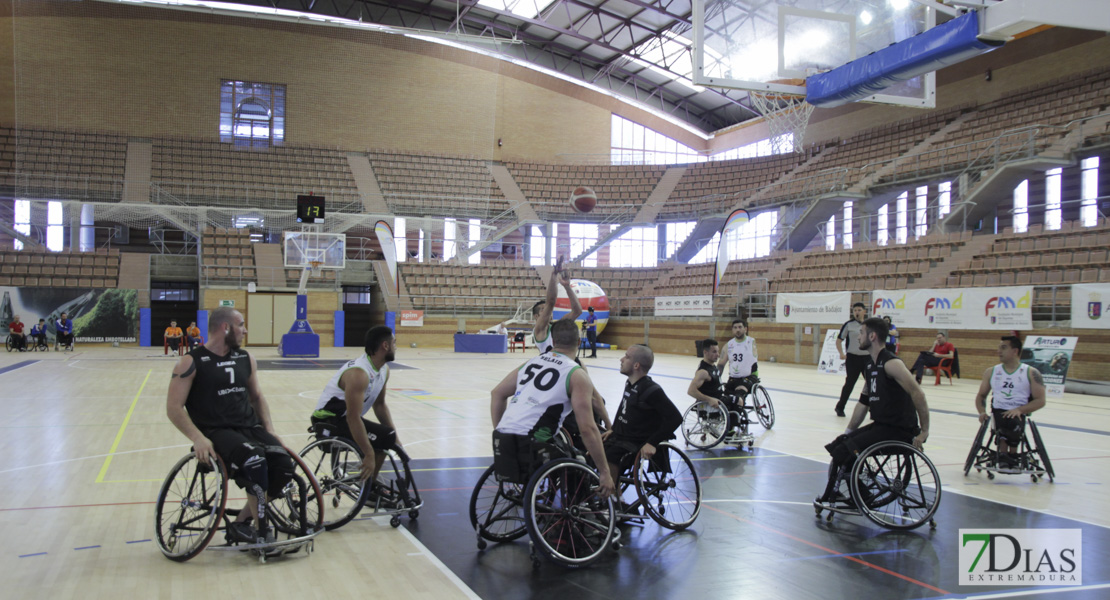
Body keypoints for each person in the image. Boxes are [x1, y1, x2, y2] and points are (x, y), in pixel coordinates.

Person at [166, 307, 293, 544]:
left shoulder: (246, 359)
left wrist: (270, 429)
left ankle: (241, 522)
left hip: (249, 427)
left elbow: (257, 397)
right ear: (226, 327)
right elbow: (173, 408)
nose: (245, 330)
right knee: (255, 460)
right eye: (241, 324)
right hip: (216, 432)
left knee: (285, 464)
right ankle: (262, 533)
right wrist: (197, 438)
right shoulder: (190, 362)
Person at [490, 319, 615, 498]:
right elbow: (587, 429)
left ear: (553, 342)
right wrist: (604, 472)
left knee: (558, 445)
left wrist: (500, 429)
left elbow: (497, 394)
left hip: (502, 438)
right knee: (579, 460)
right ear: (579, 342)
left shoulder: (531, 363)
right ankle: (575, 513)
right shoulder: (576, 374)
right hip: (533, 441)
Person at [817, 317, 930, 505]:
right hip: (881, 426)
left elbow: (918, 393)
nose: (858, 337)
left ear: (872, 336)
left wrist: (924, 430)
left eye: (861, 333)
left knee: (846, 450)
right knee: (840, 446)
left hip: (898, 429)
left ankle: (856, 496)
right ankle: (860, 495)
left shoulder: (892, 364)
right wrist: (848, 432)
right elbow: (863, 403)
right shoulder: (870, 366)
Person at [310, 326, 402, 489]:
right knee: (382, 437)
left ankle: (368, 484)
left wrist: (396, 439)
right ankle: (368, 486)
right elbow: (353, 417)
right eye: (394, 342)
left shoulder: (384, 370)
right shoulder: (359, 374)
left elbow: (380, 405)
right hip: (329, 419)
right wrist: (368, 453)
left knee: (388, 435)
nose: (396, 346)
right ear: (385, 346)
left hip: (346, 418)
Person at [603, 344, 683, 493]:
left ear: (636, 365)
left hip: (637, 441)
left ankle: (613, 499)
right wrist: (613, 429)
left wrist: (652, 443)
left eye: (626, 356)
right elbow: (623, 407)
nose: (621, 359)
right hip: (624, 436)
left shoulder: (652, 390)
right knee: (592, 446)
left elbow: (675, 418)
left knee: (610, 457)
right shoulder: (631, 383)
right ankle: (608, 491)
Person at [973, 336, 1047, 472]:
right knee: (1003, 417)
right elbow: (981, 396)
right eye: (999, 348)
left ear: (1015, 351)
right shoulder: (991, 372)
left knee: (1013, 418)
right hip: (998, 410)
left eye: (1003, 348)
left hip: (1019, 411)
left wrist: (1020, 409)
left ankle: (1012, 455)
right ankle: (1003, 455)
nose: (999, 351)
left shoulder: (1031, 372)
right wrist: (982, 412)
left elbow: (1040, 400)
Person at [688, 338, 743, 443]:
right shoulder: (703, 372)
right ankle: (729, 431)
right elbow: (691, 391)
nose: (717, 354)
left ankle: (730, 427)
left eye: (718, 351)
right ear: (705, 352)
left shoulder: (712, 367)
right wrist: (709, 399)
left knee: (734, 395)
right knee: (739, 400)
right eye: (714, 352)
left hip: (719, 397)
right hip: (713, 403)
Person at [532, 256, 582, 355]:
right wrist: (554, 274)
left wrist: (567, 287)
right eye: (543, 309)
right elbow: (550, 302)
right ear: (536, 316)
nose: (547, 311)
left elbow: (577, 311)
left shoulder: (557, 326)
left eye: (545, 308)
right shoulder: (539, 330)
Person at [834, 303, 869, 417]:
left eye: (859, 310)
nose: (857, 312)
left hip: (867, 358)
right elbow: (839, 340)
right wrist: (841, 353)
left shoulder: (870, 324)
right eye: (855, 310)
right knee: (850, 383)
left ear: (864, 311)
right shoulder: (849, 325)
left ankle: (873, 407)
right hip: (853, 358)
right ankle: (840, 407)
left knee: (871, 383)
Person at [717, 318, 758, 398]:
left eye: (740, 327)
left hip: (748, 377)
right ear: (732, 330)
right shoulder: (728, 345)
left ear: (745, 329)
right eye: (735, 328)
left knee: (738, 398)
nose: (737, 330)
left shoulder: (751, 342)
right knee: (725, 400)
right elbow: (721, 364)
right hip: (733, 378)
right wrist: (716, 379)